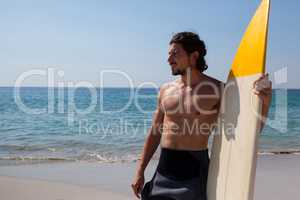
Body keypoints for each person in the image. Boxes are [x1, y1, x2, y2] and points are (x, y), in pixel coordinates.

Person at [131, 32, 272, 200]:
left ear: (194, 56)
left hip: (194, 172)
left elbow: (248, 130)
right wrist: (140, 170)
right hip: (164, 170)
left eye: (175, 53)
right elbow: (155, 133)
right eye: (169, 54)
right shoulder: (165, 90)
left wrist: (265, 103)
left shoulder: (219, 90)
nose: (169, 59)